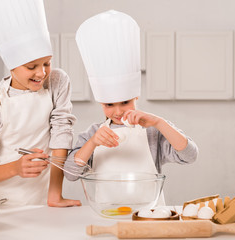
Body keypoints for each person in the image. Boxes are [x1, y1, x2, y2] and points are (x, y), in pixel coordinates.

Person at [64, 11, 198, 204]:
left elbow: (190, 155)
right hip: (107, 213)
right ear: (100, 102)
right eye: (109, 105)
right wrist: (92, 143)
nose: (118, 111)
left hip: (150, 215)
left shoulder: (152, 131)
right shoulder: (93, 133)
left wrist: (159, 122)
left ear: (136, 96)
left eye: (125, 102)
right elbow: (70, 174)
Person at [0, 0, 81, 207]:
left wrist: (54, 195)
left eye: (47, 62)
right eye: (31, 66)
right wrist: (16, 168)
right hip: (1, 206)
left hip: (42, 203)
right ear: (11, 65)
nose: (42, 73)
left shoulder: (57, 81)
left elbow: (61, 134)